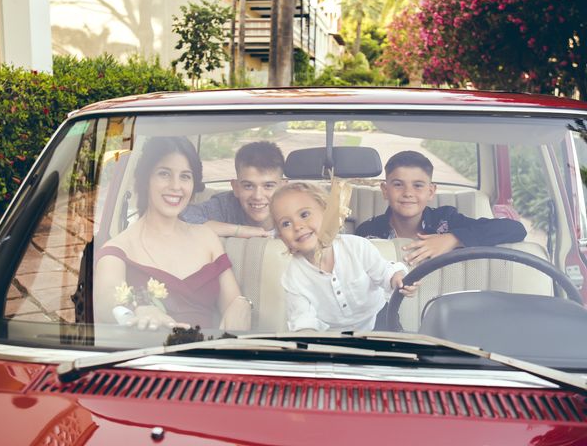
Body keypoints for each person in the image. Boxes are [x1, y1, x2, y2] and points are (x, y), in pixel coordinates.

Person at [94, 136, 251, 331]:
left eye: (185, 176)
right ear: (145, 179)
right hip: (150, 359)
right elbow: (105, 300)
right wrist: (138, 308)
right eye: (164, 174)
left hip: (209, 355)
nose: (176, 186)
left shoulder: (206, 237)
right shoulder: (117, 250)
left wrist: (242, 306)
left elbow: (233, 302)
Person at [270, 182, 418, 332]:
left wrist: (397, 278)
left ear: (328, 213)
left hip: (379, 318)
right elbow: (303, 318)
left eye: (304, 214)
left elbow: (385, 272)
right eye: (286, 223)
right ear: (282, 237)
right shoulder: (294, 276)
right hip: (333, 333)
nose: (297, 226)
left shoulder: (357, 247)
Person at [355, 151, 527, 266]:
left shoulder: (446, 221)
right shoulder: (368, 232)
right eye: (398, 184)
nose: (408, 193)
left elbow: (515, 229)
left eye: (418, 185)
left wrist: (452, 239)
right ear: (385, 190)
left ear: (431, 192)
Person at [181, 141, 285, 238]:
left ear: (283, 187)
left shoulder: (296, 209)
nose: (258, 196)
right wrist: (240, 231)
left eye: (268, 186)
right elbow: (182, 215)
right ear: (236, 187)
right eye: (248, 186)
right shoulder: (225, 206)